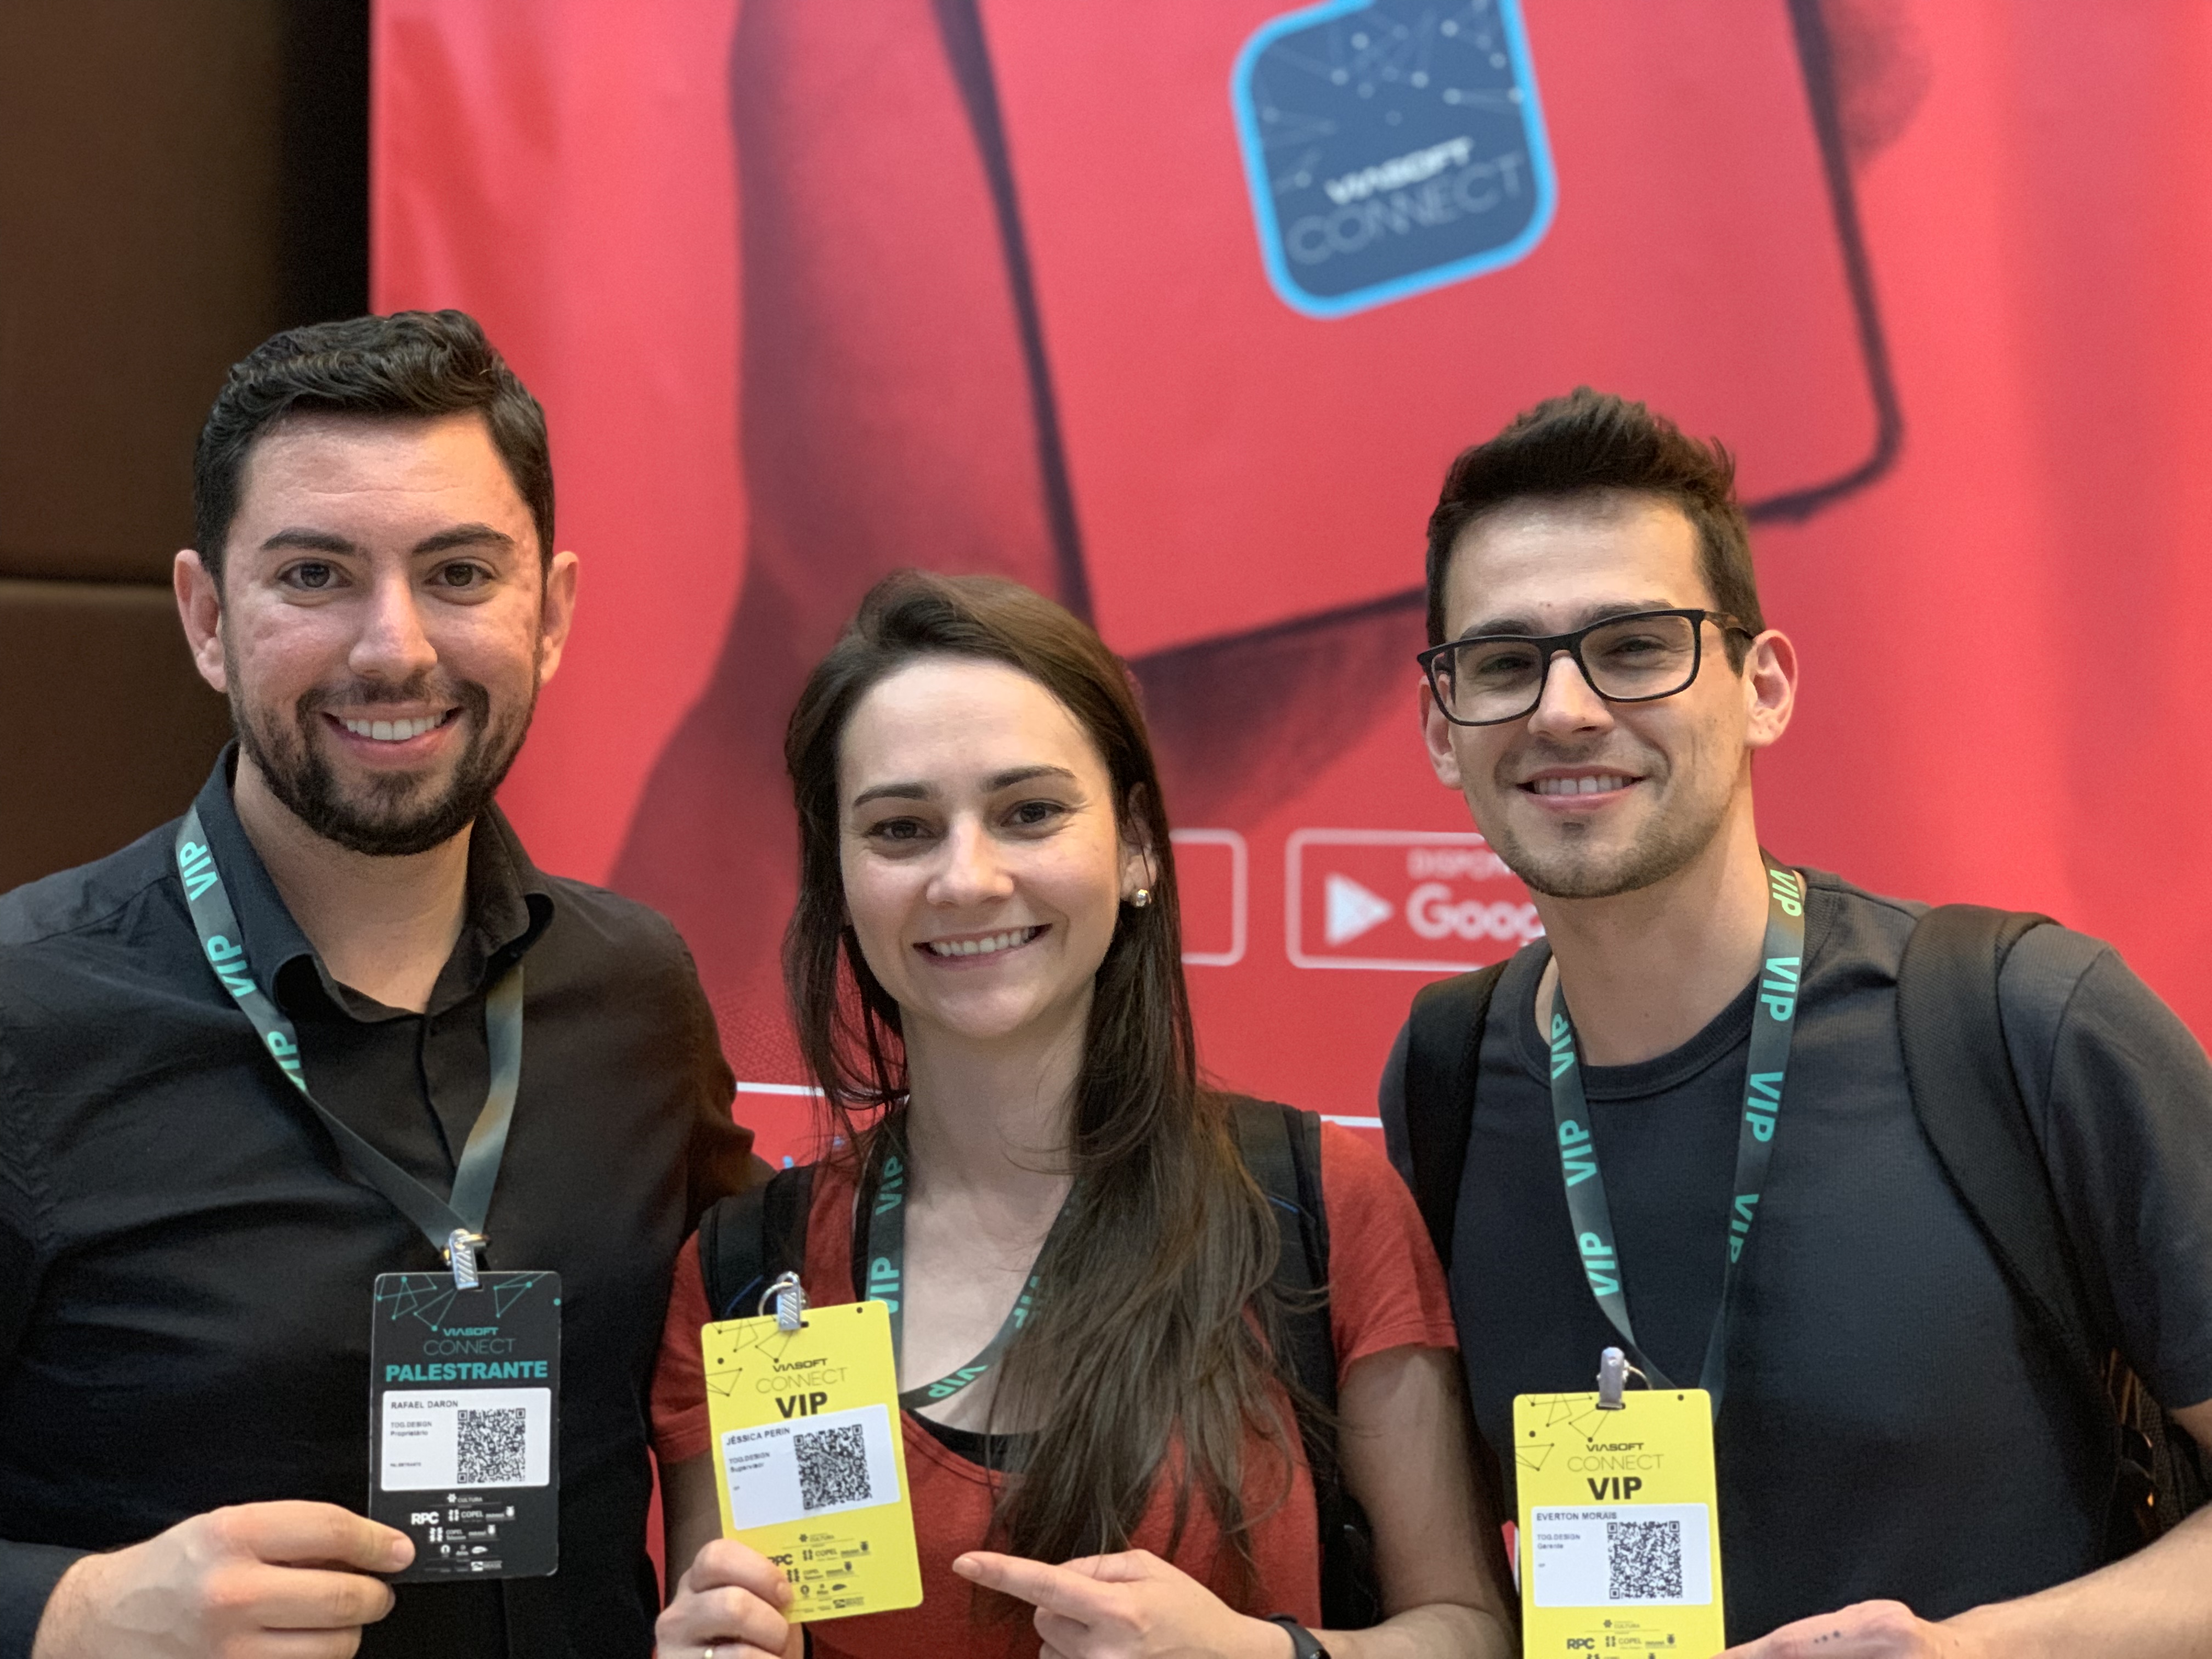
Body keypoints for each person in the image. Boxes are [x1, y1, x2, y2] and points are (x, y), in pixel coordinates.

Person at [1381, 386, 2212, 1652]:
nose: (1563, 710)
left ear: (1762, 685)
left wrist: (1977, 1652)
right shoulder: (1444, 1076)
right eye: (1503, 664)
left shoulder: (2024, 1026)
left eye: (1637, 645)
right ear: (1445, 731)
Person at [0, 311, 755, 1658]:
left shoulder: (638, 996)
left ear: (553, 615)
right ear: (206, 618)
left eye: (460, 572)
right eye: (315, 574)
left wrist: (755, 1584)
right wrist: (70, 1610)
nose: (392, 647)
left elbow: (750, 1357)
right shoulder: (24, 1017)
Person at [648, 572, 1514, 1659]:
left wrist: (1260, 1656)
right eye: (903, 828)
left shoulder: (1316, 1205)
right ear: (839, 881)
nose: (967, 878)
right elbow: (727, 1622)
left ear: (1139, 845)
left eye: (1029, 813)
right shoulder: (746, 1270)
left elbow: (1471, 1631)